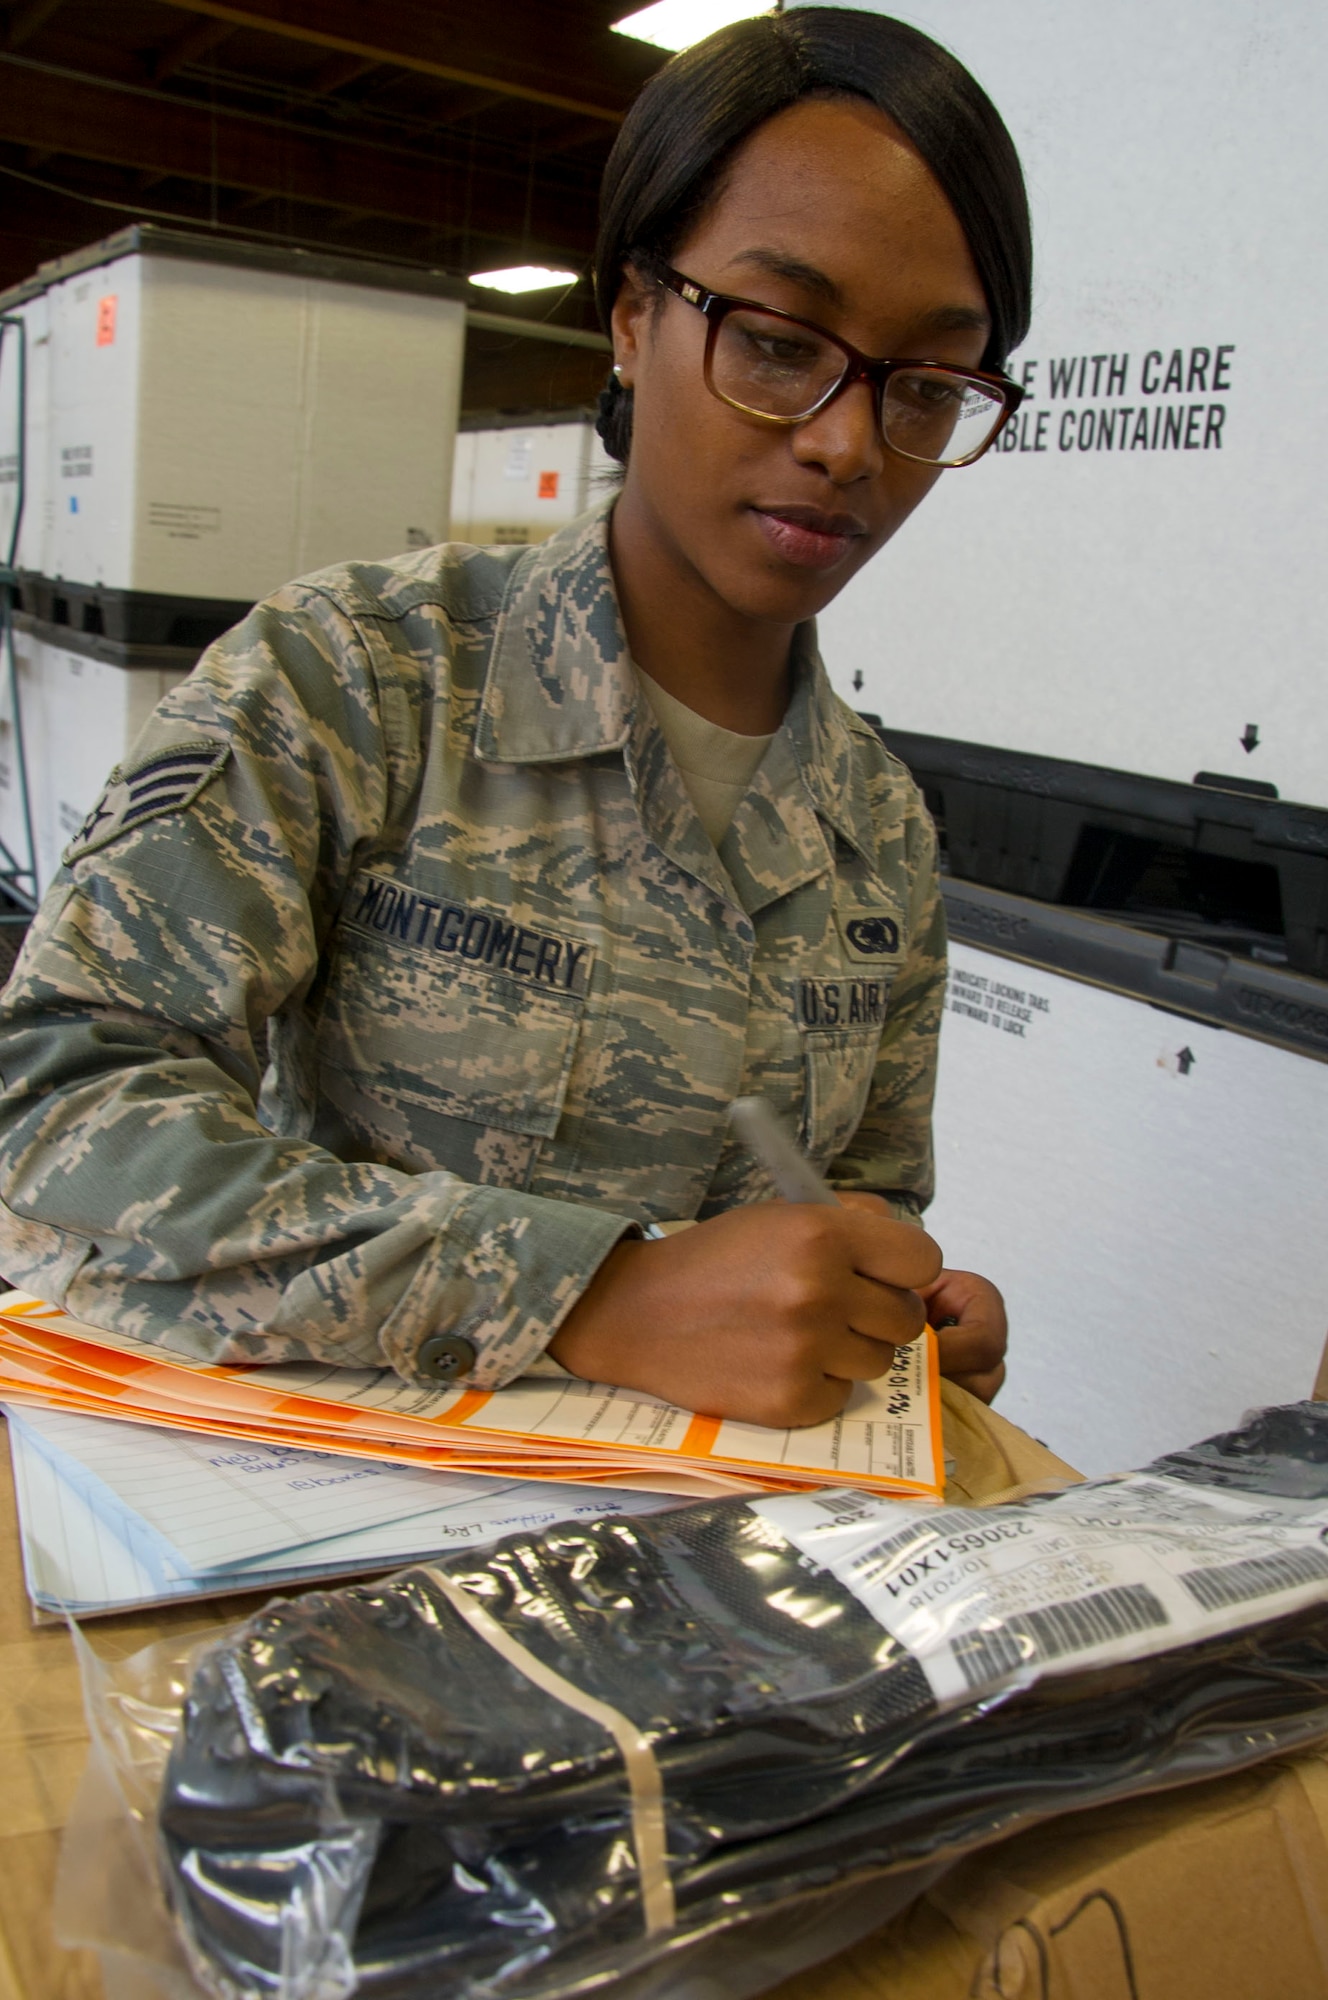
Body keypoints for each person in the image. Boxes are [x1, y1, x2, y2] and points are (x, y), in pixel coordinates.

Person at [0, 9, 1031, 1432]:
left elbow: (858, 1192)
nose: (846, 443)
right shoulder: (359, 681)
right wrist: (592, 1298)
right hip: (337, 1538)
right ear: (630, 315)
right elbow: (51, 1111)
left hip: (717, 1591)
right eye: (783, 342)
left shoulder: (879, 834)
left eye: (922, 386)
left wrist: (884, 1303)